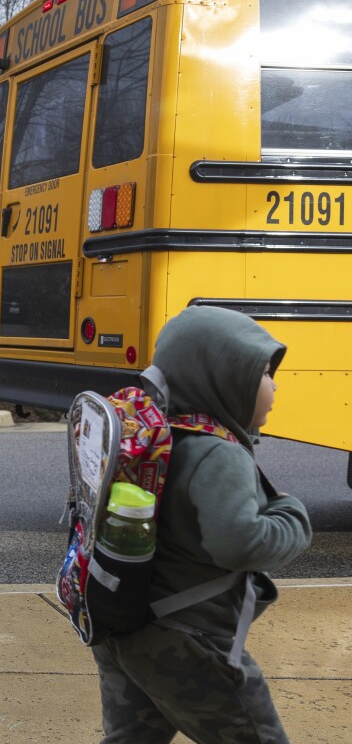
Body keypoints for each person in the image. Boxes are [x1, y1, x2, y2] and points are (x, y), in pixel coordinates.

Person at [92, 305, 311, 743]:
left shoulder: (155, 433)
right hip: (189, 643)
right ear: (225, 378)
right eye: (264, 373)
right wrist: (293, 517)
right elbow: (239, 543)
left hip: (122, 625)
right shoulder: (218, 452)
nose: (274, 385)